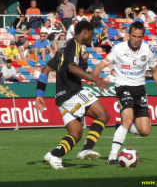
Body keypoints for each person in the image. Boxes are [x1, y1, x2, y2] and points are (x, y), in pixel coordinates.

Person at [35, 21, 110, 169]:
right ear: (86, 31)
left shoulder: (63, 48)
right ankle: (87, 149)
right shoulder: (75, 44)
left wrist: (39, 94)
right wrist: (96, 79)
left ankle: (54, 155)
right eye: (92, 35)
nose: (92, 38)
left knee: (76, 134)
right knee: (103, 115)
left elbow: (45, 70)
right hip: (72, 92)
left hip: (61, 98)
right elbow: (72, 68)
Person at [91, 21, 157, 164]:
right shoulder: (118, 49)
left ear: (143, 37)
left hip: (140, 90)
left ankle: (121, 127)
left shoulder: (148, 50)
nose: (136, 39)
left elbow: (156, 71)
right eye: (133, 36)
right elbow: (101, 65)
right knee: (128, 118)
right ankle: (112, 156)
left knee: (144, 131)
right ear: (128, 35)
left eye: (139, 37)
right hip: (123, 87)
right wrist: (94, 79)